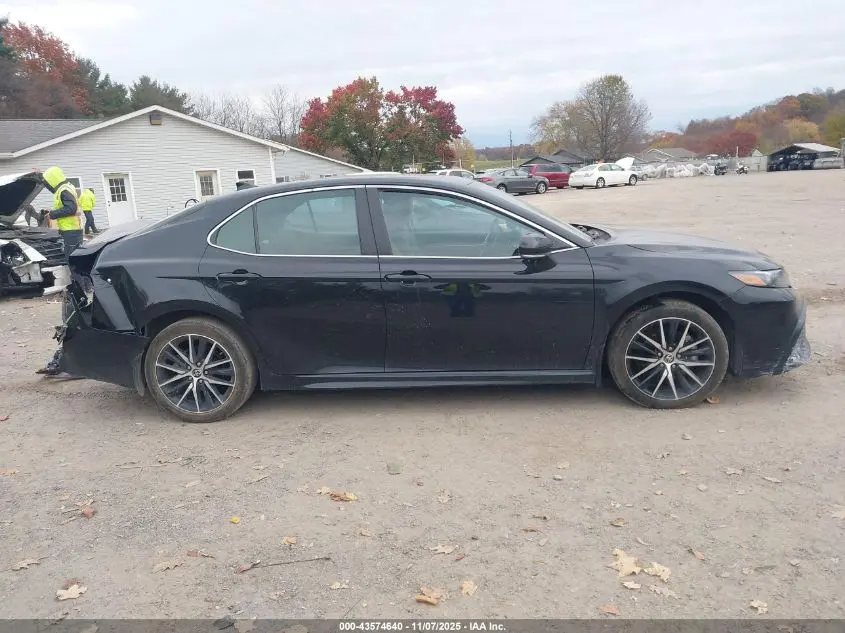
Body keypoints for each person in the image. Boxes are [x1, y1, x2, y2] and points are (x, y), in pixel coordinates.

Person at [36, 167, 84, 377]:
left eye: (47, 180)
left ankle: (80, 287)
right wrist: (39, 178)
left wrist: (52, 214)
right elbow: (55, 191)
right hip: (70, 231)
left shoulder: (64, 190)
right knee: (72, 261)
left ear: (53, 179)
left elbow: (71, 208)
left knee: (73, 263)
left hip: (72, 232)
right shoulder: (64, 187)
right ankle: (79, 285)